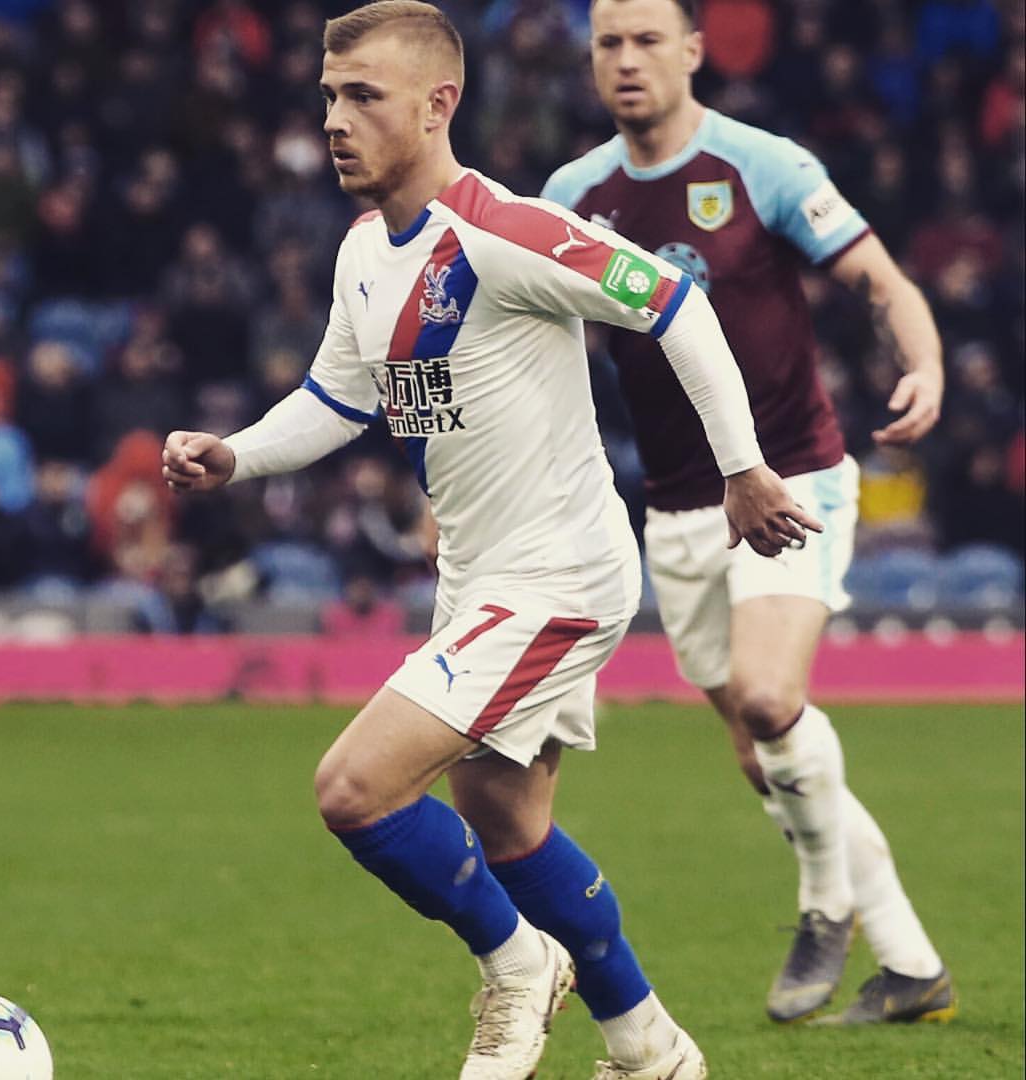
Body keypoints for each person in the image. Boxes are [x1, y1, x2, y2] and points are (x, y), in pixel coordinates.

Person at [163, 4, 820, 1077]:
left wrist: (743, 468)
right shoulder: (366, 250)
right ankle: (650, 1049)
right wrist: (236, 455)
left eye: (363, 97)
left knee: (356, 790)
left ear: (437, 106)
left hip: (558, 575)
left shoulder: (506, 233)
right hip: (479, 577)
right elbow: (339, 396)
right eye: (330, 96)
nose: (335, 119)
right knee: (507, 826)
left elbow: (670, 303)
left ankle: (519, 967)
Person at [542, 0, 955, 1027]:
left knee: (774, 703)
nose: (628, 60)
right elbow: (544, 356)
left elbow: (879, 277)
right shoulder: (571, 197)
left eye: (648, 40)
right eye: (609, 44)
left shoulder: (760, 166)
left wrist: (927, 360)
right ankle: (911, 968)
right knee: (759, 752)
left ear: (693, 50)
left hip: (792, 478)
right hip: (678, 508)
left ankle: (824, 907)